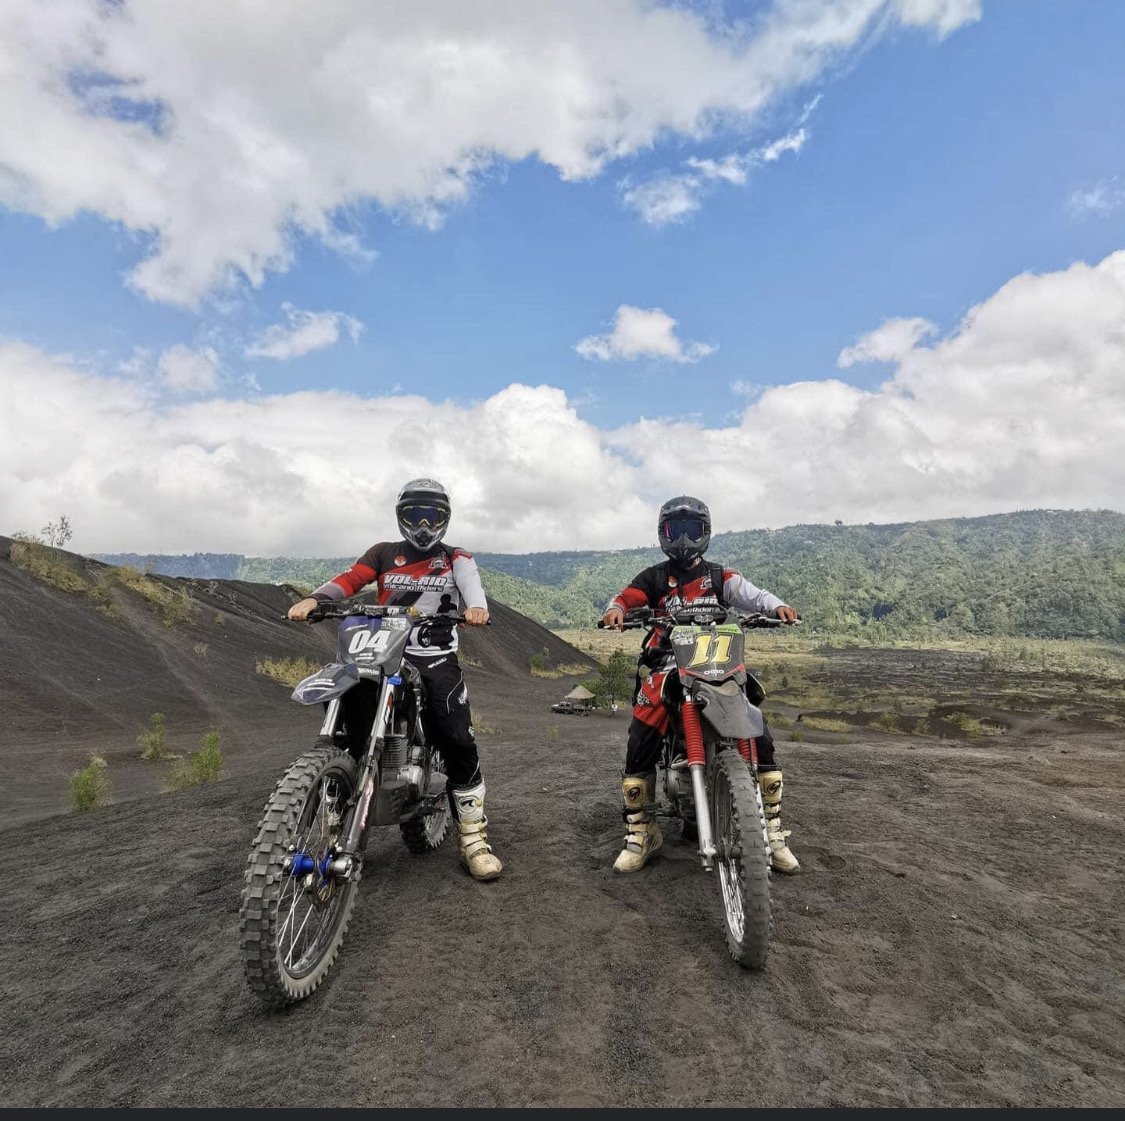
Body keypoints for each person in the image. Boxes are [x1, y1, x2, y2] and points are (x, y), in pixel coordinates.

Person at [287, 478, 502, 882]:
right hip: (380, 651)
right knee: (349, 724)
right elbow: (351, 579)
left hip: (433, 656)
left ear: (444, 519)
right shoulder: (383, 553)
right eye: (414, 516)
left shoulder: (457, 558)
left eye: (432, 516)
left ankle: (473, 836)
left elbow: (475, 595)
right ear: (401, 518)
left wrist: (475, 609)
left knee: (457, 736)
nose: (423, 525)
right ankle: (337, 820)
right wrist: (316, 599)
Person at [601, 496, 800, 876]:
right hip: (670, 665)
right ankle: (641, 830)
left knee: (758, 727)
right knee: (643, 725)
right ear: (664, 534)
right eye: (676, 530)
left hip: (720, 663)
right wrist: (617, 610)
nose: (684, 539)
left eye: (692, 529)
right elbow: (628, 597)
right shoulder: (654, 578)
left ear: (705, 533)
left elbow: (753, 595)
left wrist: (776, 607)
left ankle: (771, 832)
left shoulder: (721, 576)